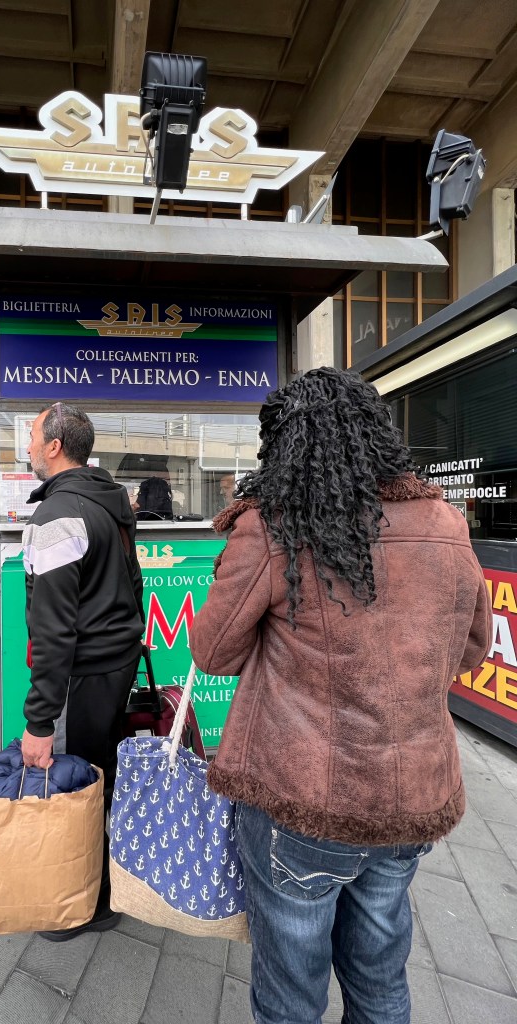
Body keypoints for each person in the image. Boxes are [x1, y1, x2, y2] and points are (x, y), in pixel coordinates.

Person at [189, 367, 492, 1024]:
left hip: (301, 804)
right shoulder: (445, 522)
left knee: (290, 995)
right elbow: (471, 648)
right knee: (381, 980)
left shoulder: (272, 527)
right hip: (412, 797)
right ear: (377, 434)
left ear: (283, 448)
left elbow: (213, 654)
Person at [20, 402, 145, 940]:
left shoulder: (56, 515)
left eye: (32, 436)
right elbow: (133, 584)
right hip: (115, 664)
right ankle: (105, 885)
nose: (27, 446)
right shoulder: (109, 501)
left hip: (81, 673)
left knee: (74, 787)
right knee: (102, 777)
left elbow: (53, 631)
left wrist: (39, 722)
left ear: (54, 446)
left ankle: (85, 904)